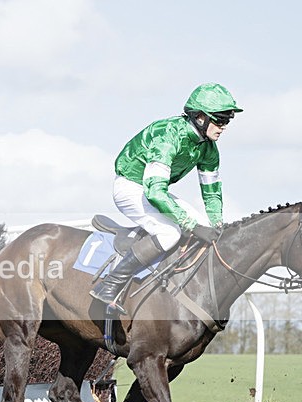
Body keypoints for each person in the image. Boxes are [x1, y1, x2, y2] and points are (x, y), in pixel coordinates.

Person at [90, 82, 243, 314]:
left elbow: (211, 192)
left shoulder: (209, 149)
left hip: (154, 189)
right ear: (200, 117)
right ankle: (110, 285)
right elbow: (154, 192)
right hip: (131, 187)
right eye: (220, 119)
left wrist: (216, 224)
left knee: (202, 225)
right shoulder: (168, 135)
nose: (224, 127)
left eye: (227, 121)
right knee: (170, 232)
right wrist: (190, 226)